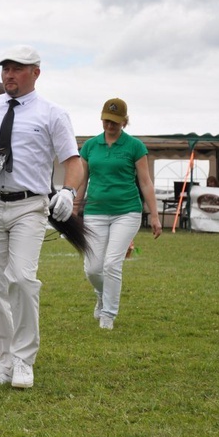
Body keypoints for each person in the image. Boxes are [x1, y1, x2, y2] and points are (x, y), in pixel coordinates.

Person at [0, 45, 83, 389]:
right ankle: (4, 362)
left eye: (17, 69)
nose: (9, 74)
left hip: (29, 205)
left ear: (35, 73)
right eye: (6, 68)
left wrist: (68, 192)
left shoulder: (53, 113)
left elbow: (73, 161)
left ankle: (25, 360)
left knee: (22, 280)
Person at [75, 98, 162, 330]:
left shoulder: (135, 146)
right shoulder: (90, 146)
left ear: (124, 121)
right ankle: (102, 296)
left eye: (114, 122)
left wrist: (154, 215)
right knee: (92, 268)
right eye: (106, 120)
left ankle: (108, 315)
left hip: (127, 212)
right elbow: (82, 181)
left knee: (112, 263)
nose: (109, 125)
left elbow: (145, 182)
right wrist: (75, 209)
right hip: (95, 211)